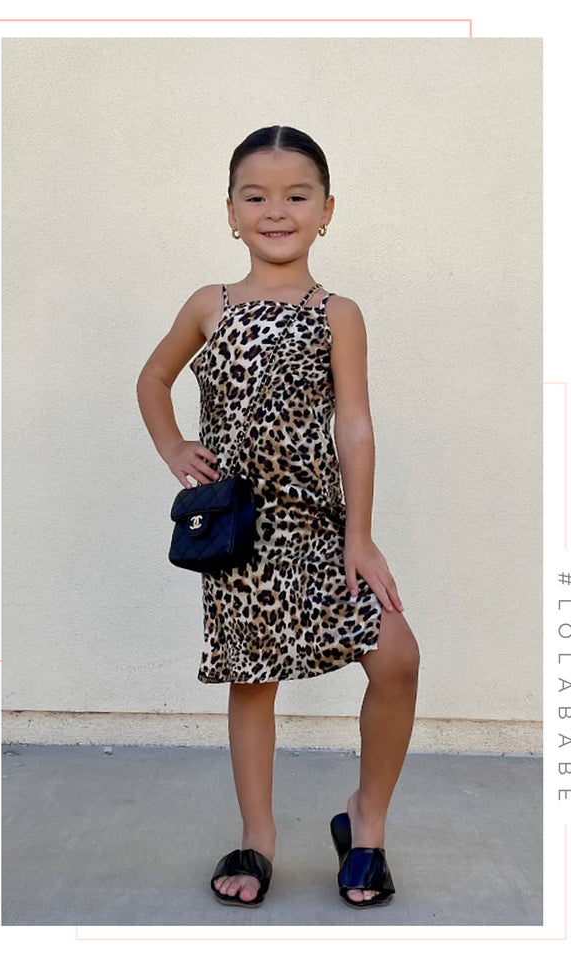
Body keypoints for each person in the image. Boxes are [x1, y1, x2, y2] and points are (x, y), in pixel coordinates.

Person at [136, 125, 420, 910]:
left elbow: (353, 426)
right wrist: (174, 447)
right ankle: (257, 836)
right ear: (231, 212)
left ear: (326, 210)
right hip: (241, 531)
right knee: (252, 678)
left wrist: (360, 536)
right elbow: (153, 379)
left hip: (321, 525)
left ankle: (366, 822)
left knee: (396, 657)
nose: (276, 211)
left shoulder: (339, 313)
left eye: (297, 196)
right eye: (255, 197)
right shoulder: (210, 305)